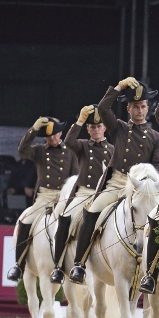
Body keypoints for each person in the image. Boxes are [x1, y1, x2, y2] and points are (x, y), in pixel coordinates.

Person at [69, 77, 159, 284]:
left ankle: (153, 272)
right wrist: (119, 87)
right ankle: (79, 264)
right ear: (128, 108)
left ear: (147, 108)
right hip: (118, 184)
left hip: (142, 189)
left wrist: (145, 179)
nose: (139, 111)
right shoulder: (119, 128)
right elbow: (103, 108)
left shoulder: (156, 137)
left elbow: (158, 167)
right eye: (135, 107)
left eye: (142, 106)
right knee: (92, 212)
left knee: (158, 220)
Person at [7, 118, 78, 282]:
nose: (52, 138)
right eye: (48, 136)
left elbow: (75, 176)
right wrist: (33, 129)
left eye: (54, 135)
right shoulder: (39, 150)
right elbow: (22, 149)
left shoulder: (70, 151)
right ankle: (18, 265)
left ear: (60, 133)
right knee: (26, 222)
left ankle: (78, 264)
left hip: (64, 196)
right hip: (44, 197)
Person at [49, 106, 114, 284]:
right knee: (65, 218)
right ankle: (60, 267)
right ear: (88, 129)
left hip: (105, 193)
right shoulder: (83, 146)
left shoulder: (113, 150)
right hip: (85, 192)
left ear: (104, 128)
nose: (96, 129)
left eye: (99, 126)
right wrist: (79, 120)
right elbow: (69, 141)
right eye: (92, 127)